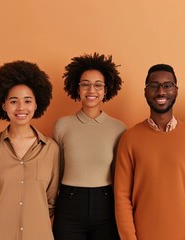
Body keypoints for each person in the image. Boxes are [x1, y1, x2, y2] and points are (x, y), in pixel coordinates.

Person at [114, 64, 185, 240]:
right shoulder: (129, 138)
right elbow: (122, 197)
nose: (161, 91)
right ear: (146, 91)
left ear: (176, 90)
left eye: (167, 85)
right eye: (154, 86)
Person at [0, 60, 60, 240]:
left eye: (27, 101)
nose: (21, 107)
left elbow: (52, 201)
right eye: (14, 101)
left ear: (36, 105)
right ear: (3, 105)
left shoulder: (51, 149)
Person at [52, 52, 126, 240]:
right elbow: (56, 171)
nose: (91, 90)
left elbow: (120, 175)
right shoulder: (62, 125)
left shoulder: (119, 128)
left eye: (98, 85)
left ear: (106, 89)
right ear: (77, 88)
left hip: (105, 205)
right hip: (69, 206)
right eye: (85, 84)